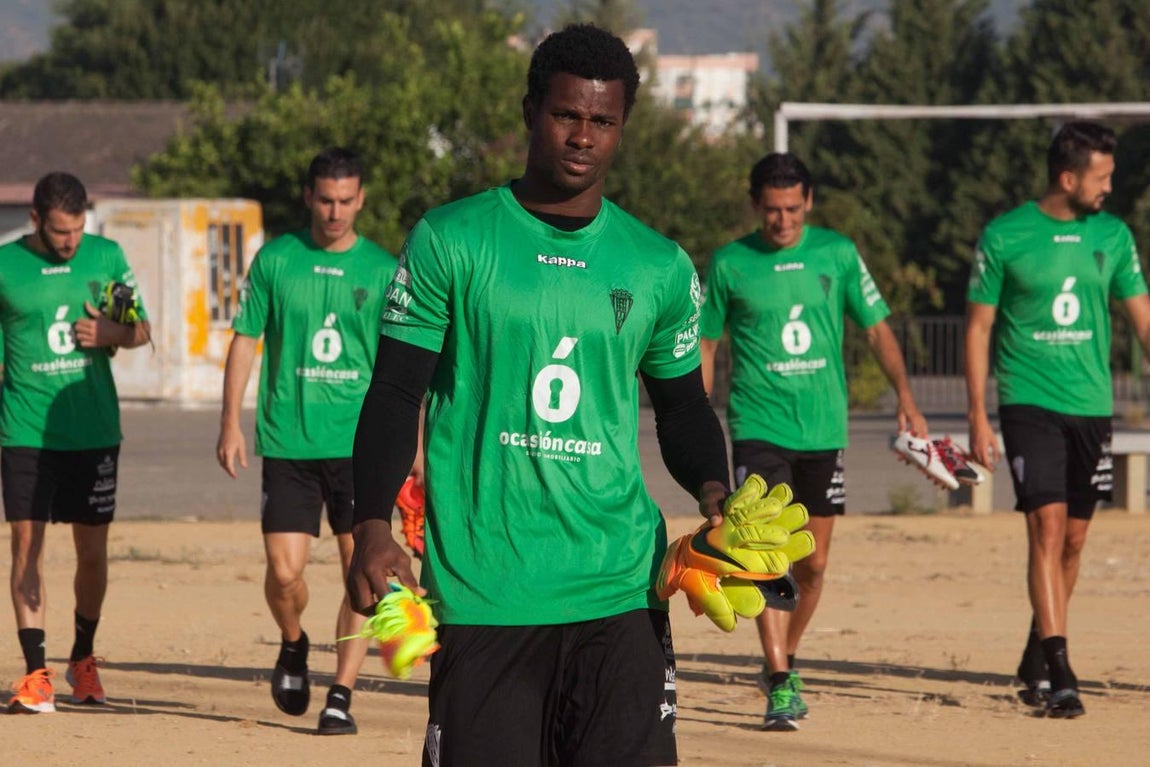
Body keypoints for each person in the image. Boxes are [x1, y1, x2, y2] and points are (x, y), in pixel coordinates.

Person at [347, 24, 738, 766]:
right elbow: (397, 391)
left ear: (622, 127)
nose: (583, 136)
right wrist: (370, 521)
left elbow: (683, 405)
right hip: (487, 592)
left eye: (603, 121)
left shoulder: (657, 265)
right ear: (531, 111)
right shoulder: (451, 239)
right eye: (567, 115)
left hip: (622, 590)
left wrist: (715, 490)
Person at [699, 152, 929, 731]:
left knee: (816, 563)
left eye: (793, 210)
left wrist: (906, 394)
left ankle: (787, 656)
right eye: (772, 210)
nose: (782, 221)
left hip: (824, 429)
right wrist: (698, 418)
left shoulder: (838, 253)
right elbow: (706, 345)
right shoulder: (729, 263)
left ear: (809, 204)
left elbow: (876, 328)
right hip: (758, 426)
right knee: (764, 556)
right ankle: (778, 677)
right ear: (756, 205)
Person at [965, 121, 1150, 719]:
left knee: (1073, 539)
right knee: (1045, 530)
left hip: (1092, 406)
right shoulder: (1006, 235)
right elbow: (978, 328)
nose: (1108, 188)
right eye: (1101, 178)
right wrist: (976, 411)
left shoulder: (1114, 236)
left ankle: (1035, 650)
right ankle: (1062, 670)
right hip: (1029, 403)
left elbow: (1143, 318)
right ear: (1067, 178)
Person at [216, 148, 398, 735]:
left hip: (357, 448)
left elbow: (400, 369)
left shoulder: (381, 269)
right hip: (288, 442)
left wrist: (413, 441)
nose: (335, 211)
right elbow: (246, 340)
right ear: (308, 196)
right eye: (326, 199)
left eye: (346, 200)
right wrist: (229, 423)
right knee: (284, 571)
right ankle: (293, 642)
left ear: (361, 198)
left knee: (360, 572)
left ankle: (340, 693)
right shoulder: (276, 259)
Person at [0, 172, 152, 713]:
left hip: (93, 431)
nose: (70, 242)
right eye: (61, 232)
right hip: (25, 430)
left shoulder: (106, 257)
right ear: (37, 220)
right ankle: (35, 673)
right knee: (27, 547)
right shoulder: (5, 266)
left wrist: (112, 334)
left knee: (92, 552)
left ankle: (82, 661)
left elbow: (141, 329)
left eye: (78, 229)